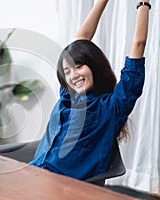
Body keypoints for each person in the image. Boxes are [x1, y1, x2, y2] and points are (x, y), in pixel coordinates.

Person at [29, 0, 150, 181]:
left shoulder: (111, 107)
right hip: (32, 174)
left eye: (78, 66)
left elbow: (139, 43)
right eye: (67, 71)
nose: (73, 76)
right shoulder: (68, 95)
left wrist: (143, 4)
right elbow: (81, 38)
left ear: (93, 64)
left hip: (60, 187)